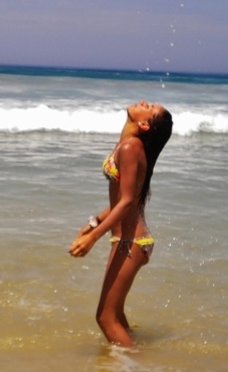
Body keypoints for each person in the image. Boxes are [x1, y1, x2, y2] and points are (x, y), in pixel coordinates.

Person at [69, 100, 173, 347]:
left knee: (105, 318)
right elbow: (127, 199)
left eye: (150, 108)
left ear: (144, 125)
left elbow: (126, 202)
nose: (145, 103)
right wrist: (94, 221)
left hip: (131, 241)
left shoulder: (130, 147)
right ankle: (127, 363)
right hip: (131, 240)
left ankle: (135, 364)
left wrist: (93, 238)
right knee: (115, 314)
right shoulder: (129, 145)